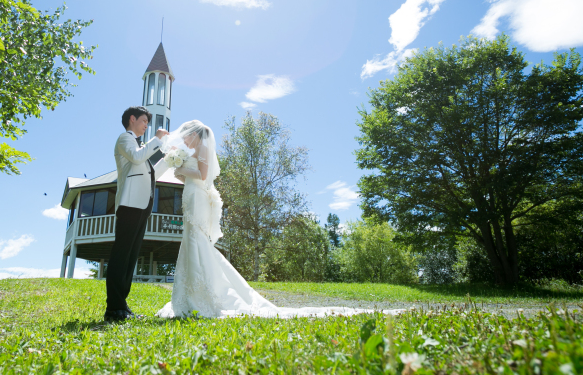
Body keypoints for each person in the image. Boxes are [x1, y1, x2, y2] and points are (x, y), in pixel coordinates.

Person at [156, 120, 400, 319]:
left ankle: (203, 294)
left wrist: (179, 170)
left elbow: (202, 174)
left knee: (197, 240)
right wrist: (178, 167)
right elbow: (189, 174)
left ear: (196, 136)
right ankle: (188, 295)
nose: (184, 139)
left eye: (187, 135)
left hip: (198, 198)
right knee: (191, 240)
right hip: (190, 196)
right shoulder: (190, 150)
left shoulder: (204, 149)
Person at [105, 106, 169, 322]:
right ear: (132, 119)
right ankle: (113, 308)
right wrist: (157, 140)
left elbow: (151, 175)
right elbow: (136, 157)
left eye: (148, 124)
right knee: (121, 255)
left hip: (142, 205)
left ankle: (121, 306)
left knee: (131, 258)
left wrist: (170, 159)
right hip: (129, 204)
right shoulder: (125, 139)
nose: (146, 126)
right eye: (143, 121)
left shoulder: (142, 147)